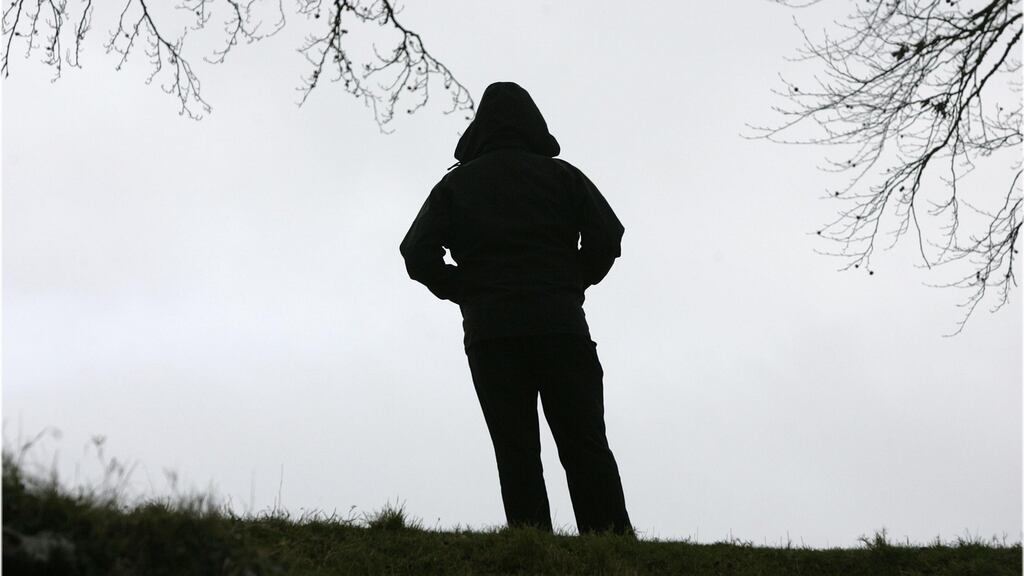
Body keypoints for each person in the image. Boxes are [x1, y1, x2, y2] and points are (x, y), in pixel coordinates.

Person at [400, 81, 632, 535]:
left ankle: (531, 546)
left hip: (492, 333)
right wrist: (573, 280)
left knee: (515, 450)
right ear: (534, 124)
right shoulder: (563, 177)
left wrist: (464, 288)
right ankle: (609, 543)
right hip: (561, 326)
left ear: (479, 129)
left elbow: (416, 252)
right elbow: (608, 236)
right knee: (585, 443)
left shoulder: (456, 185)